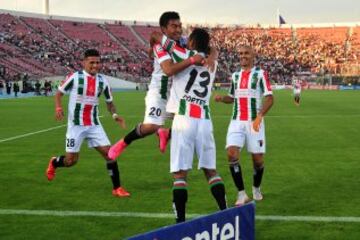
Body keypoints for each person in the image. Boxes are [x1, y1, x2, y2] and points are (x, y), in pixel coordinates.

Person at [108, 12, 203, 160]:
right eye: (173, 26)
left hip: (176, 95)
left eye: (179, 26)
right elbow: (169, 70)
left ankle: (166, 133)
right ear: (164, 29)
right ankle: (123, 142)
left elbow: (205, 48)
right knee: (151, 127)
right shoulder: (159, 46)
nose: (178, 29)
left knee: (191, 123)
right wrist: (191, 59)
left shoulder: (184, 42)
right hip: (159, 93)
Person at [158, 28, 227, 223]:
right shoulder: (212, 63)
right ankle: (225, 211)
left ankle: (180, 222)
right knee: (211, 170)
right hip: (204, 119)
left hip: (185, 117)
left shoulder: (185, 54)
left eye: (189, 40)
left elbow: (158, 38)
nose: (186, 42)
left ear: (193, 42)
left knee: (180, 174)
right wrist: (212, 54)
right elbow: (213, 50)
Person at [46, 49, 130, 198]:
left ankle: (117, 188)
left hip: (94, 125)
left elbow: (110, 103)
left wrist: (115, 115)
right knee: (71, 161)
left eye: (98, 62)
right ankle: (55, 162)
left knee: (110, 155)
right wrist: (58, 107)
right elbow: (58, 93)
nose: (95, 65)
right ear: (84, 62)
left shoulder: (103, 81)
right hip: (76, 126)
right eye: (92, 62)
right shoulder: (75, 77)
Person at [214, 45, 274, 206]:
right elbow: (232, 97)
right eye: (240, 53)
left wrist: (259, 116)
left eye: (246, 53)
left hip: (254, 122)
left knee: (258, 160)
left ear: (253, 55)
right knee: (232, 154)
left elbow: (269, 98)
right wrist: (222, 99)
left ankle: (256, 188)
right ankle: (242, 194)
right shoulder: (235, 76)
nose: (243, 56)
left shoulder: (260, 74)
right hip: (236, 121)